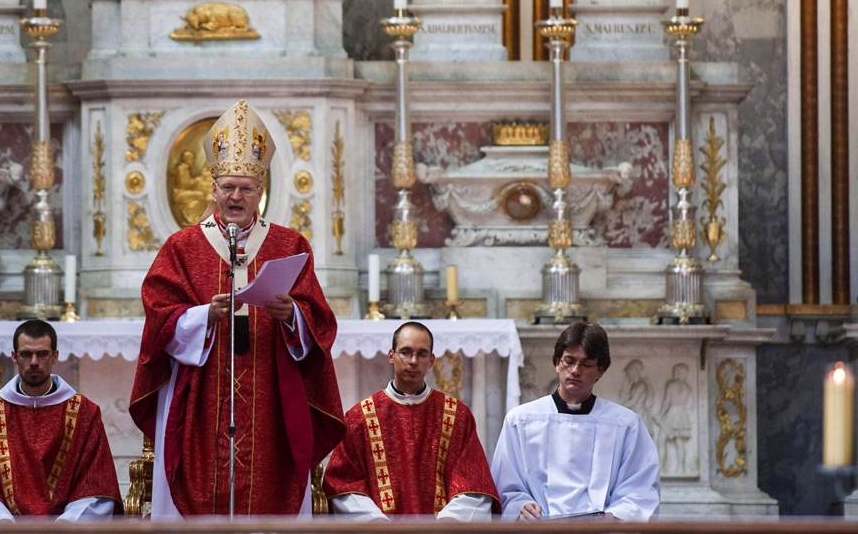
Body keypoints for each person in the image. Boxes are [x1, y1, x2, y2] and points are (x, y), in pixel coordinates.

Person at [129, 99, 345, 517]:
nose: (235, 196)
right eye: (228, 187)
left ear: (259, 193)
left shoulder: (289, 244)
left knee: (270, 487)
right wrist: (201, 316)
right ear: (213, 189)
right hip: (203, 391)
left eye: (246, 188)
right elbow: (158, 315)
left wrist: (293, 317)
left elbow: (318, 318)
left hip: (270, 391)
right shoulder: (182, 246)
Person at [324, 322, 500, 520]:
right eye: (406, 352)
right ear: (391, 356)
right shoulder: (360, 417)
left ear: (432, 360)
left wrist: (449, 522)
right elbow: (344, 483)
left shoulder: (457, 415)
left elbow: (474, 482)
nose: (413, 361)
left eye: (422, 354)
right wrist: (376, 523)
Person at [491, 322, 661, 520]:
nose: (575, 370)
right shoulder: (521, 420)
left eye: (586, 364)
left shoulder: (625, 424)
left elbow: (640, 490)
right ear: (557, 363)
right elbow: (506, 485)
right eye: (568, 361)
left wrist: (613, 517)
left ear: (601, 371)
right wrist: (521, 506)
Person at [0, 319, 122, 520]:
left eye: (42, 354)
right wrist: (1, 522)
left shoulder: (84, 413)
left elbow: (96, 483)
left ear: (55, 356)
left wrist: (66, 524)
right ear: (14, 357)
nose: (34, 362)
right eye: (26, 354)